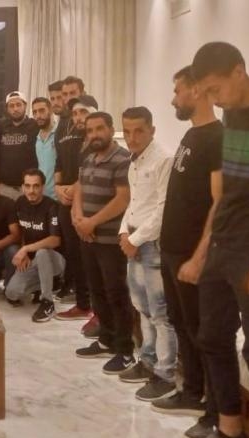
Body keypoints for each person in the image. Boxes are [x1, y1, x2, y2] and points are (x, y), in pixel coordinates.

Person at [184, 42, 249, 438]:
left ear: (239, 71)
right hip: (223, 245)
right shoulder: (232, 111)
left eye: (215, 89)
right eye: (206, 92)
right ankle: (230, 433)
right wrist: (202, 252)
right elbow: (229, 191)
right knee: (212, 337)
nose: (212, 100)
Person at [152, 65, 223, 438]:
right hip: (172, 249)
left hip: (192, 255)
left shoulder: (216, 137)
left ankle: (216, 411)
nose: (173, 99)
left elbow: (218, 203)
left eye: (178, 91)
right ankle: (192, 390)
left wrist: (198, 256)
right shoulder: (192, 134)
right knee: (181, 323)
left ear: (197, 90)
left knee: (201, 331)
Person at [116, 107, 177, 402]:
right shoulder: (134, 161)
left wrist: (136, 238)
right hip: (134, 241)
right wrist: (124, 232)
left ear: (152, 130)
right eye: (127, 131)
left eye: (139, 130)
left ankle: (165, 375)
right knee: (141, 307)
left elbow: (164, 209)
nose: (132, 137)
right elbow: (135, 203)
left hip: (152, 245)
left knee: (160, 312)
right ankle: (148, 360)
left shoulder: (163, 159)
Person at [72, 112, 135, 376]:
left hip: (110, 240)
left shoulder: (123, 159)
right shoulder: (88, 158)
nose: (94, 134)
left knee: (116, 294)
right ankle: (107, 339)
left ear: (111, 129)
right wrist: (78, 218)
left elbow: (123, 199)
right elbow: (79, 188)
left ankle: (125, 350)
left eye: (99, 128)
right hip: (88, 238)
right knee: (97, 291)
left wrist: (91, 222)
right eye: (90, 130)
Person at [53, 93, 95, 328]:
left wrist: (72, 189)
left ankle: (93, 308)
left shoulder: (96, 141)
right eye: (75, 113)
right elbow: (59, 162)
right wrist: (59, 188)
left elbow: (88, 173)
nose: (78, 117)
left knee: (89, 259)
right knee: (75, 257)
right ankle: (83, 304)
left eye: (83, 112)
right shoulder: (67, 136)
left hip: (87, 207)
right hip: (66, 202)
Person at [4, 169, 64, 323]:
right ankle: (47, 285)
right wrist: (24, 250)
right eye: (28, 186)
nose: (31, 190)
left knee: (42, 252)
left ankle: (48, 302)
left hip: (55, 260)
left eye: (36, 186)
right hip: (34, 261)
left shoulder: (52, 206)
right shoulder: (20, 203)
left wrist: (25, 249)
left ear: (42, 187)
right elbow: (22, 232)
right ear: (22, 187)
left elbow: (55, 240)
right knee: (11, 293)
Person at [0, 91, 39, 200]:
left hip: (29, 187)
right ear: (7, 109)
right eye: (11, 106)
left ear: (25, 105)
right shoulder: (1, 126)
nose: (15, 109)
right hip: (5, 187)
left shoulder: (35, 125)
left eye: (18, 105)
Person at [32, 97, 57, 199]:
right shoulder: (36, 137)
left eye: (42, 111)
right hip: (42, 196)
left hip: (59, 196)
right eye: (35, 112)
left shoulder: (60, 133)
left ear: (50, 110)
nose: (38, 116)